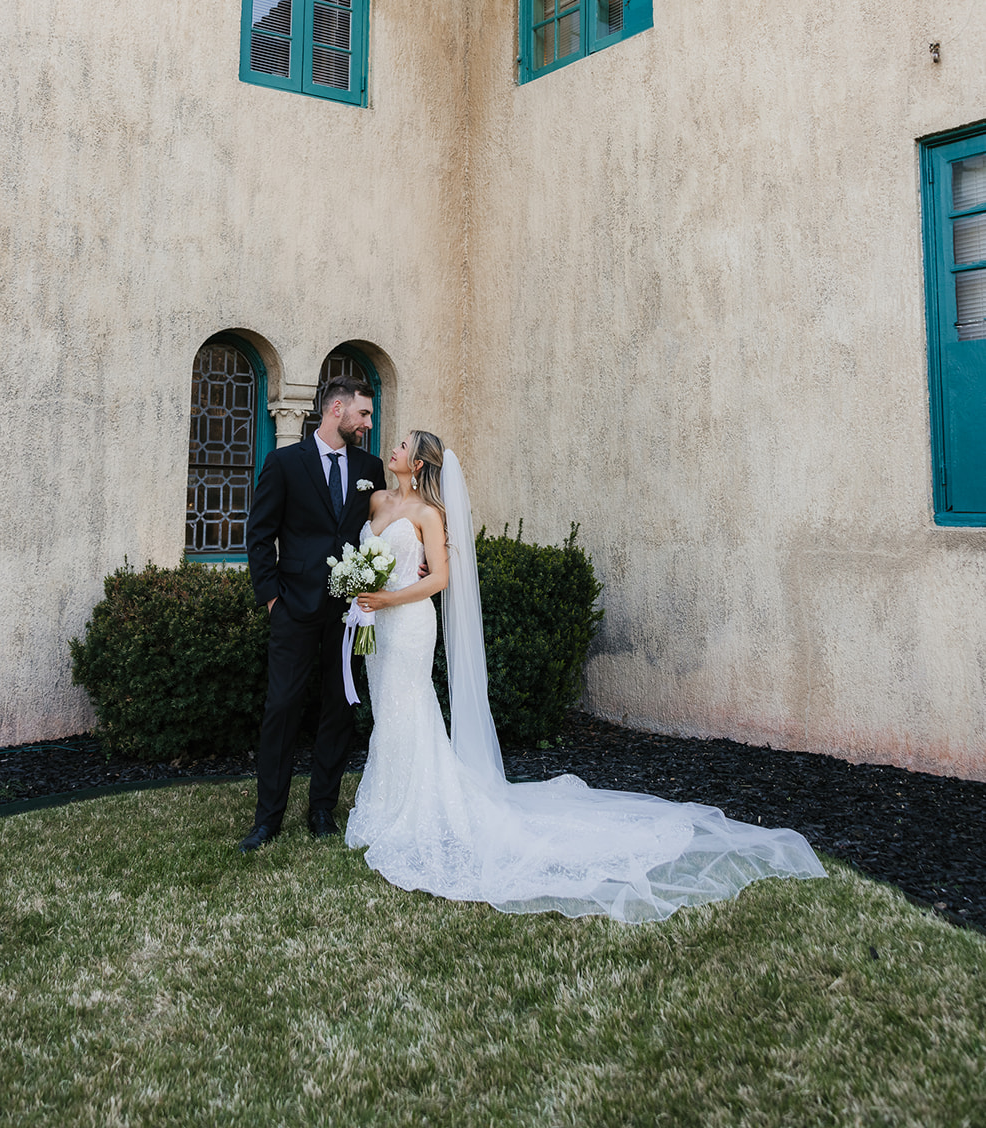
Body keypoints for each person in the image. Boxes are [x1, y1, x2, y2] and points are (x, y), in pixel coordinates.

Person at [345, 431, 826, 924]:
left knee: (411, 705)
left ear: (421, 465)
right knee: (387, 706)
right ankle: (386, 800)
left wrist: (389, 598)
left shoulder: (428, 514)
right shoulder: (378, 500)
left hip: (406, 623)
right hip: (374, 623)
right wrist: (362, 588)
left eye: (404, 445)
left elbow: (439, 578)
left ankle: (415, 809)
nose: (395, 448)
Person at [239, 376, 386, 852]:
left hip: (349, 613)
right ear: (336, 409)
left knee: (339, 708)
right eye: (363, 414)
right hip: (294, 607)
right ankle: (268, 818)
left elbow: (383, 529)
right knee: (281, 708)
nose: (367, 423)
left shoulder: (371, 466)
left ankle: (323, 807)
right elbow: (259, 534)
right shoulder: (285, 463)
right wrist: (272, 599)